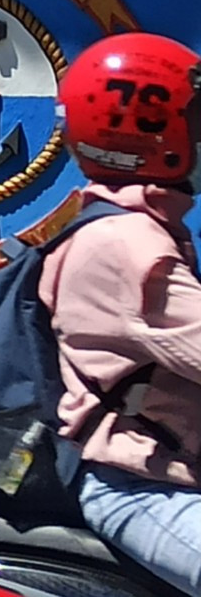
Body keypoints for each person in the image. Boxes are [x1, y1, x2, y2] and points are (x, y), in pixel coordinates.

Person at [44, 32, 201, 592]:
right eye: (196, 117)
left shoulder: (139, 228)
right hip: (139, 487)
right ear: (153, 131)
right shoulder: (128, 246)